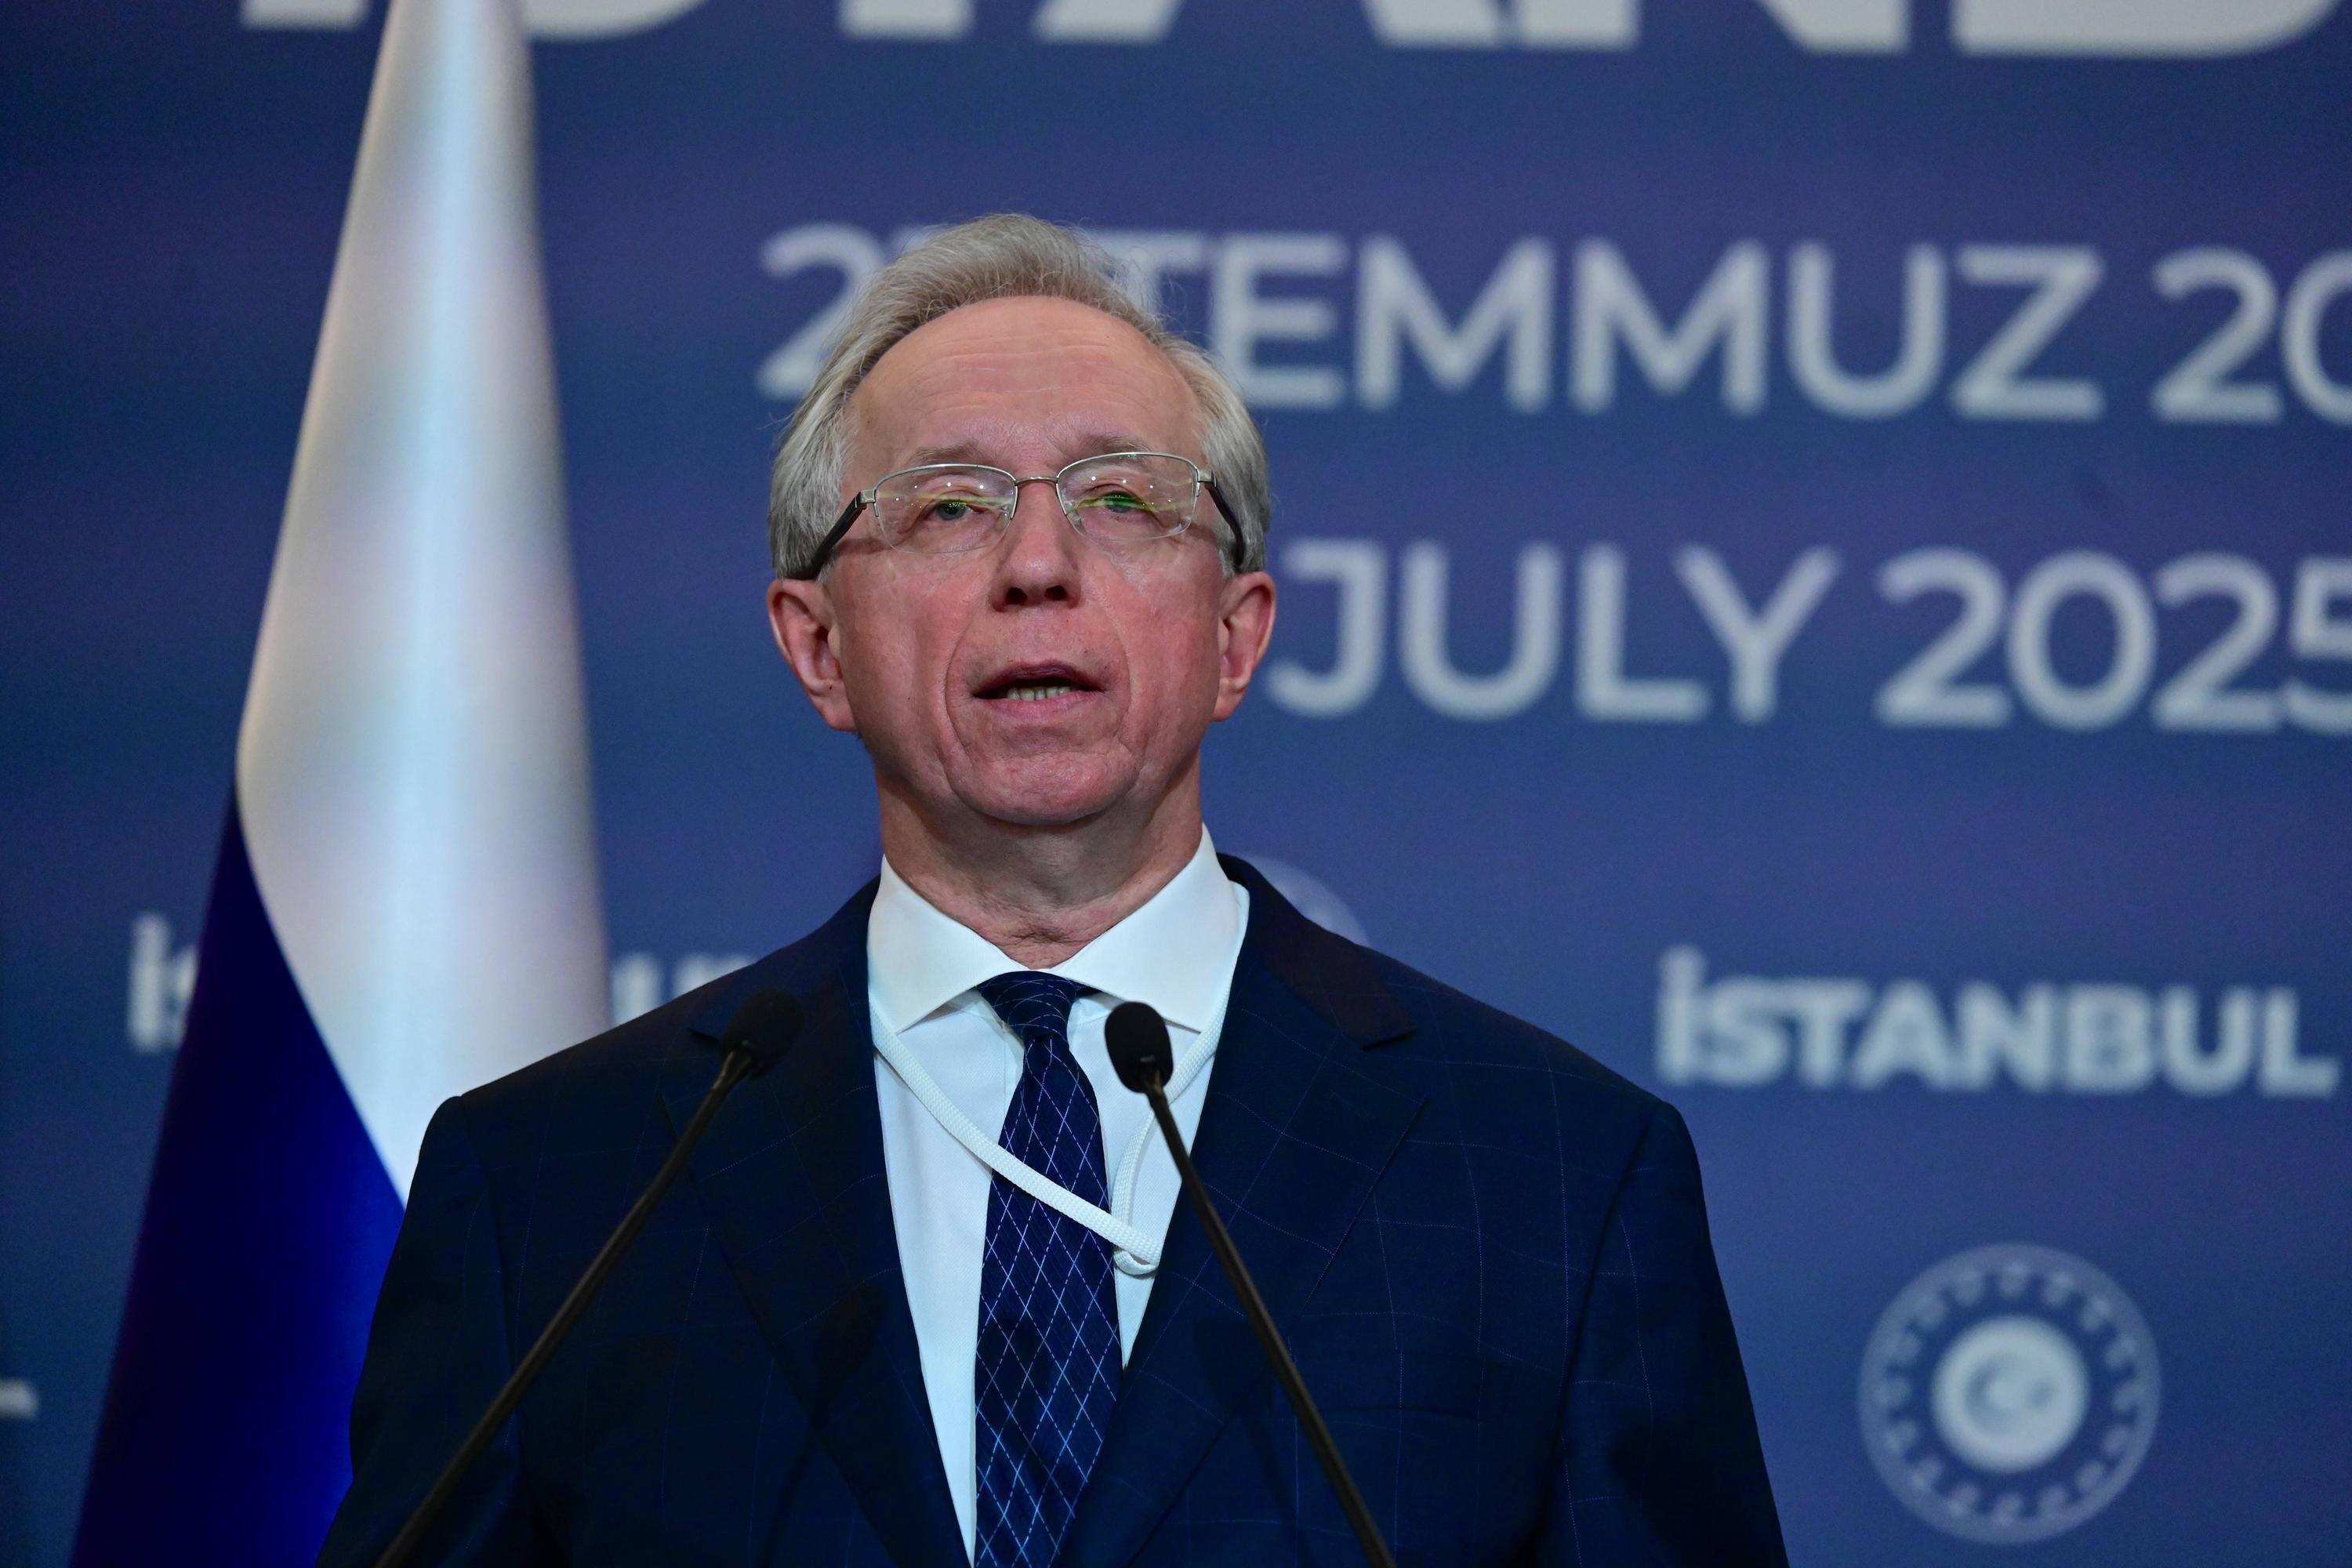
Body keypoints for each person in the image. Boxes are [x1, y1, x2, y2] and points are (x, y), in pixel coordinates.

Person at [319, 214, 1786, 1567]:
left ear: (1236, 635)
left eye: (1123, 499)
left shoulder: (1554, 1176)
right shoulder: (558, 1192)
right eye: (947, 508)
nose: (1037, 564)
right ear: (819, 647)